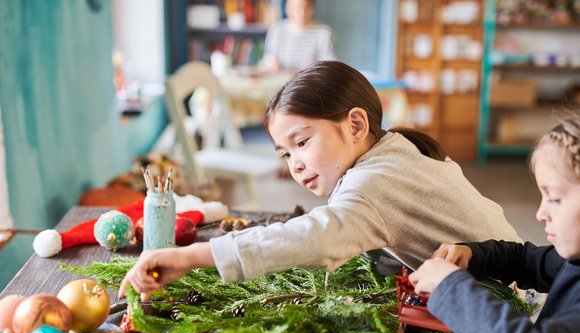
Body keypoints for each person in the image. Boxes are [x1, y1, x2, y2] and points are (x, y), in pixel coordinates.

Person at [119, 60, 520, 301]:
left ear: (356, 125)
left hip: (512, 309)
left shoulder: (374, 184)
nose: (294, 164)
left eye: (302, 142)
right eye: (285, 153)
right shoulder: (396, 148)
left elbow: (316, 237)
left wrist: (191, 257)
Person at [409, 117, 580, 333]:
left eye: (554, 198)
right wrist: (473, 255)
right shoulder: (573, 258)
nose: (540, 214)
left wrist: (451, 286)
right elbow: (525, 259)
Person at [261, 0, 336, 73]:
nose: (302, 13)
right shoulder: (276, 29)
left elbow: (330, 63)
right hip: (281, 78)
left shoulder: (323, 31)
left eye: (306, 7)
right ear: (288, 9)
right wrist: (271, 63)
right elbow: (267, 60)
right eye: (297, 8)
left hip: (310, 80)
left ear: (312, 8)